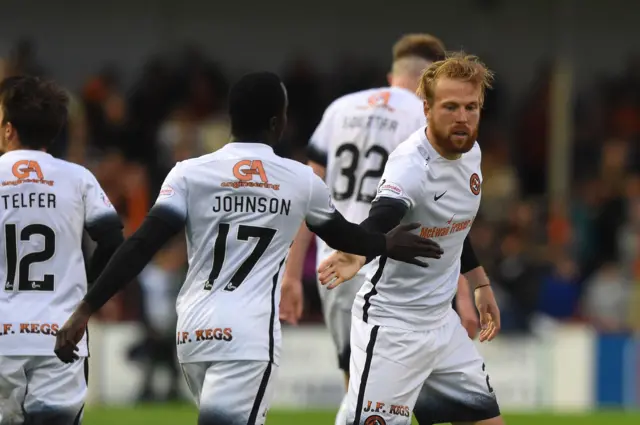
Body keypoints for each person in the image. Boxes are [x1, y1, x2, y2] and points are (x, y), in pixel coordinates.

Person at [53, 71, 443, 425]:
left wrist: (86, 308)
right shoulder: (299, 180)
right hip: (247, 339)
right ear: (279, 121)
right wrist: (387, 243)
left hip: (194, 334)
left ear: (230, 120)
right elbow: (344, 237)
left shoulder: (190, 173)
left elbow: (140, 246)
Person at [279, 33, 479, 424]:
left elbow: (310, 192)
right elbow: (446, 216)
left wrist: (290, 272)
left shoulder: (340, 110)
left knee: (359, 386)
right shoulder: (424, 118)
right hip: (397, 268)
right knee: (398, 395)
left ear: (393, 73)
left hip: (336, 260)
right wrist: (465, 294)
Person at [317, 53, 504, 425]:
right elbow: (383, 215)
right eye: (450, 107)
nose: (463, 118)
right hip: (393, 328)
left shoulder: (471, 152)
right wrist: (358, 252)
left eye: (471, 107)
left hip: (441, 325)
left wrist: (480, 284)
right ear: (427, 108)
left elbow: (453, 225)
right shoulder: (411, 165)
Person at [0, 76, 124, 425]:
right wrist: (88, 300)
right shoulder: (78, 178)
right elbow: (113, 241)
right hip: (59, 337)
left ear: (9, 130)